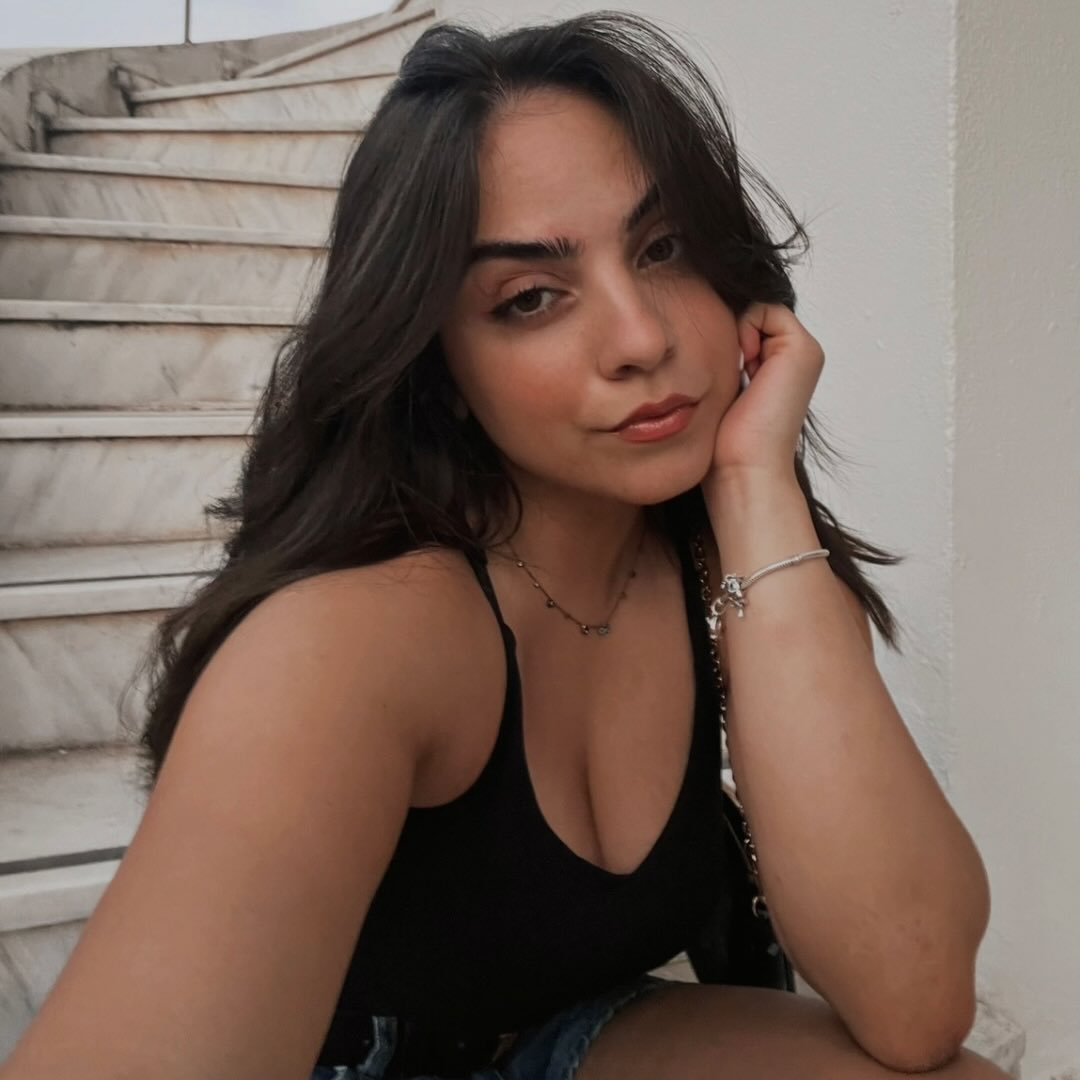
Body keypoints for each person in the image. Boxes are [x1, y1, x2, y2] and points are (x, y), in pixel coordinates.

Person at [1, 12, 1008, 1080]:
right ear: (437, 365)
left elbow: (916, 999)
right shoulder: (349, 644)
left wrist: (756, 488)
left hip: (559, 1038)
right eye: (531, 299)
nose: (642, 338)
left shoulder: (717, 561)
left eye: (664, 248)